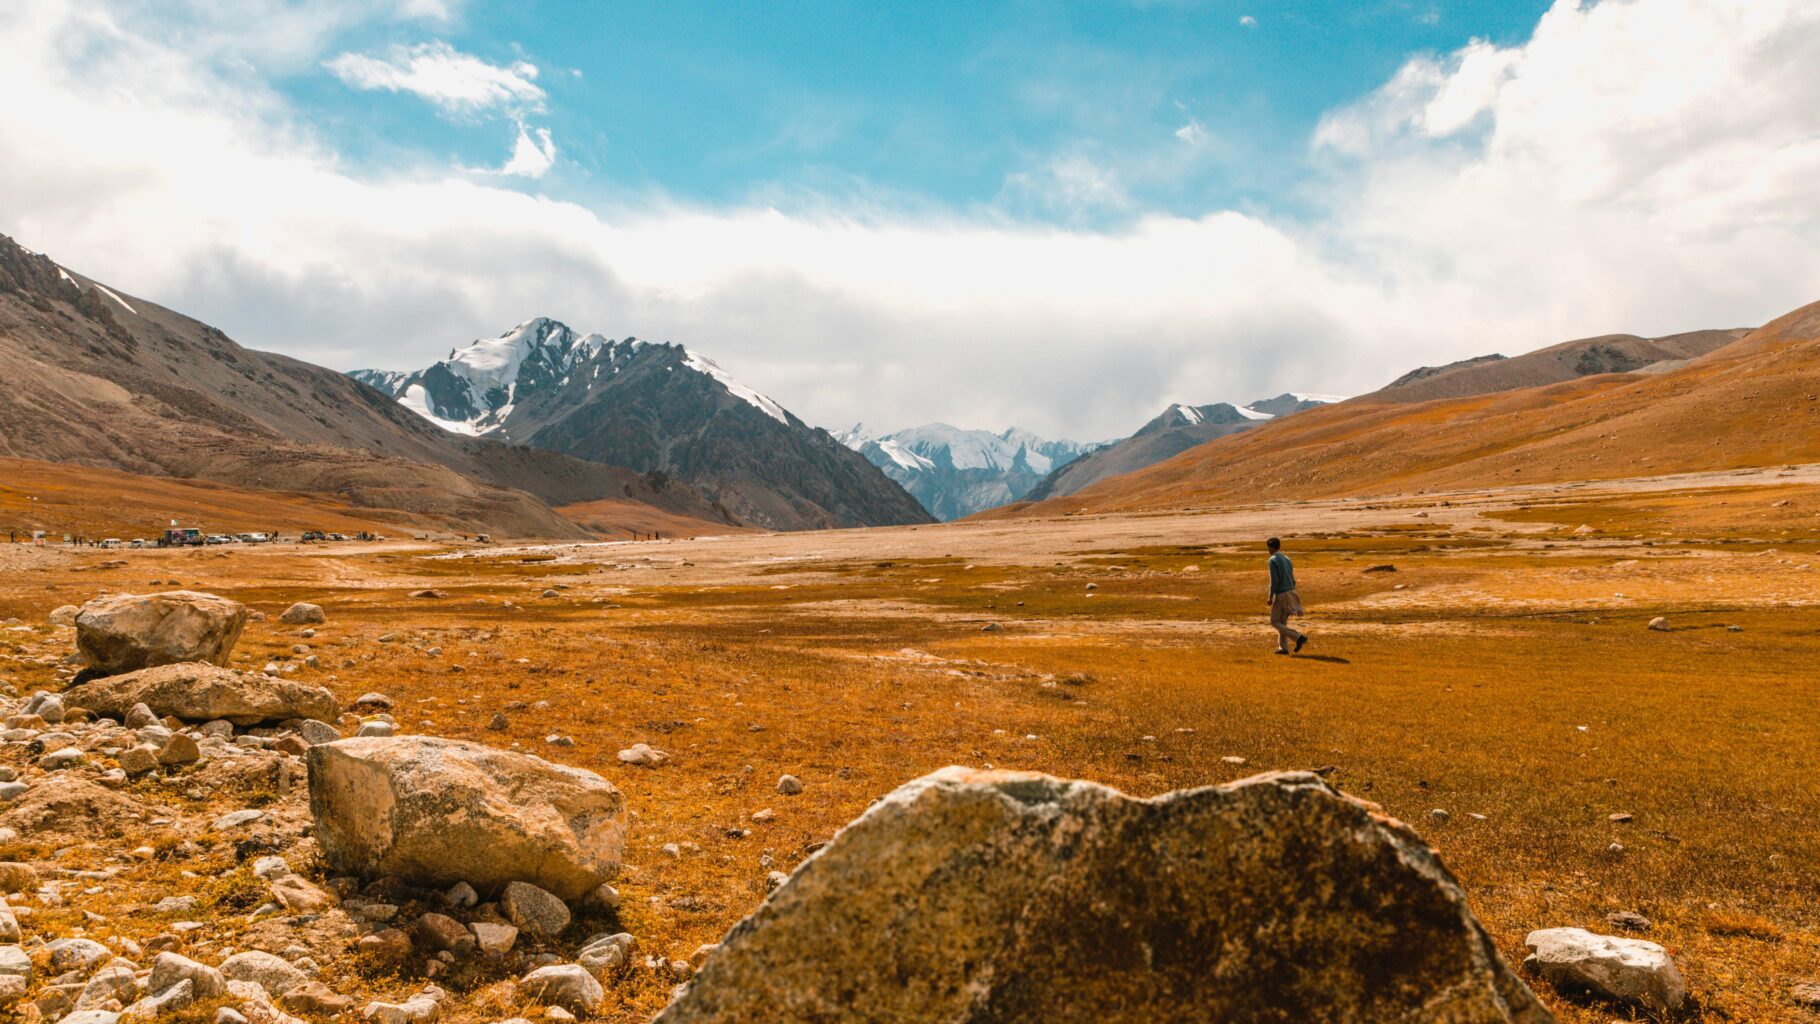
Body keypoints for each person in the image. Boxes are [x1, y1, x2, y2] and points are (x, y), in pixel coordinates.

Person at [1266, 537, 1308, 655]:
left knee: (1274, 621)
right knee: (1282, 622)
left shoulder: (1272, 560)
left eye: (1268, 547)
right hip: (1291, 592)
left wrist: (1270, 596)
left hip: (1282, 594)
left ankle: (1298, 637)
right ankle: (1283, 648)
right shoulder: (1287, 558)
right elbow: (1293, 579)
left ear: (1271, 547)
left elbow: (1274, 580)